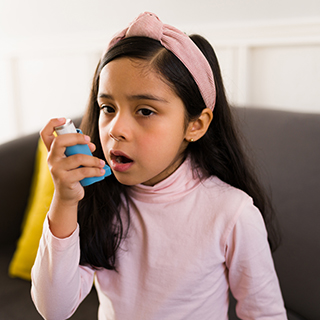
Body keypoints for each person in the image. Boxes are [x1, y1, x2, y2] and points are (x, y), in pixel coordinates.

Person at [31, 12, 287, 320]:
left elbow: (265, 314)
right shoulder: (99, 200)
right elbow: (53, 309)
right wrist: (64, 200)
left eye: (145, 111)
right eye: (108, 108)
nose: (116, 129)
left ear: (196, 124)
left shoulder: (232, 213)